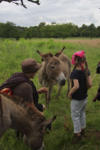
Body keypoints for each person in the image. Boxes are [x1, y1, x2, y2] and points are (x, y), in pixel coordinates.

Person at [68, 51, 92, 141]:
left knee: (75, 116)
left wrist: (70, 93)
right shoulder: (87, 71)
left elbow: (76, 86)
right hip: (84, 98)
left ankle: (77, 135)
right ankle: (82, 130)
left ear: (75, 61)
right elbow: (90, 84)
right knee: (82, 113)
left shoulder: (74, 73)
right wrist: (84, 90)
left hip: (76, 100)